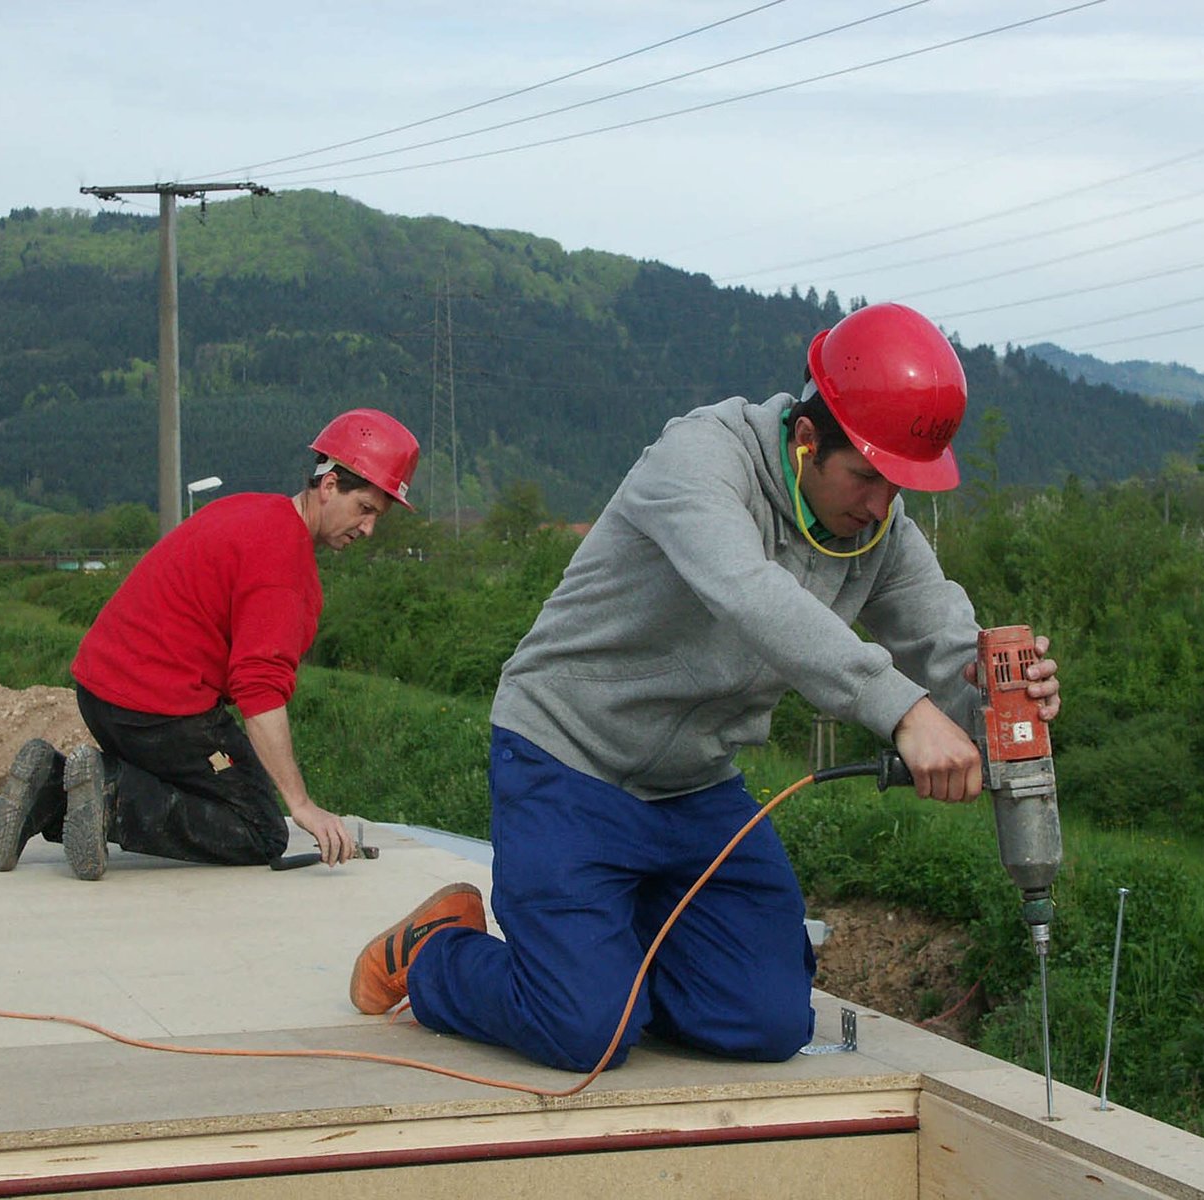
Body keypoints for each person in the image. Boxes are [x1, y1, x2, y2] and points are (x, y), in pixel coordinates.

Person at [345, 303, 1061, 1072]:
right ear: (807, 438)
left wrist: (995, 702)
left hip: (694, 790)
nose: (879, 507)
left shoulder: (877, 530)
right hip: (568, 764)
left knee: (768, 1023)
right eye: (865, 479)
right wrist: (903, 712)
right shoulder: (699, 459)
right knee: (585, 1032)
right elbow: (750, 594)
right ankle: (437, 955)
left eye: (897, 487)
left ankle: (609, 965)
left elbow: (944, 643)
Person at [0, 408, 420, 881]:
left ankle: (51, 786)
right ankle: (111, 796)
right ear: (330, 485)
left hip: (99, 695)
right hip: (159, 713)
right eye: (366, 509)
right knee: (258, 828)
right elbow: (259, 688)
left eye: (377, 517)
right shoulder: (283, 560)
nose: (368, 529)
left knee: (210, 785)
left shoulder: (253, 510)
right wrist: (302, 804)